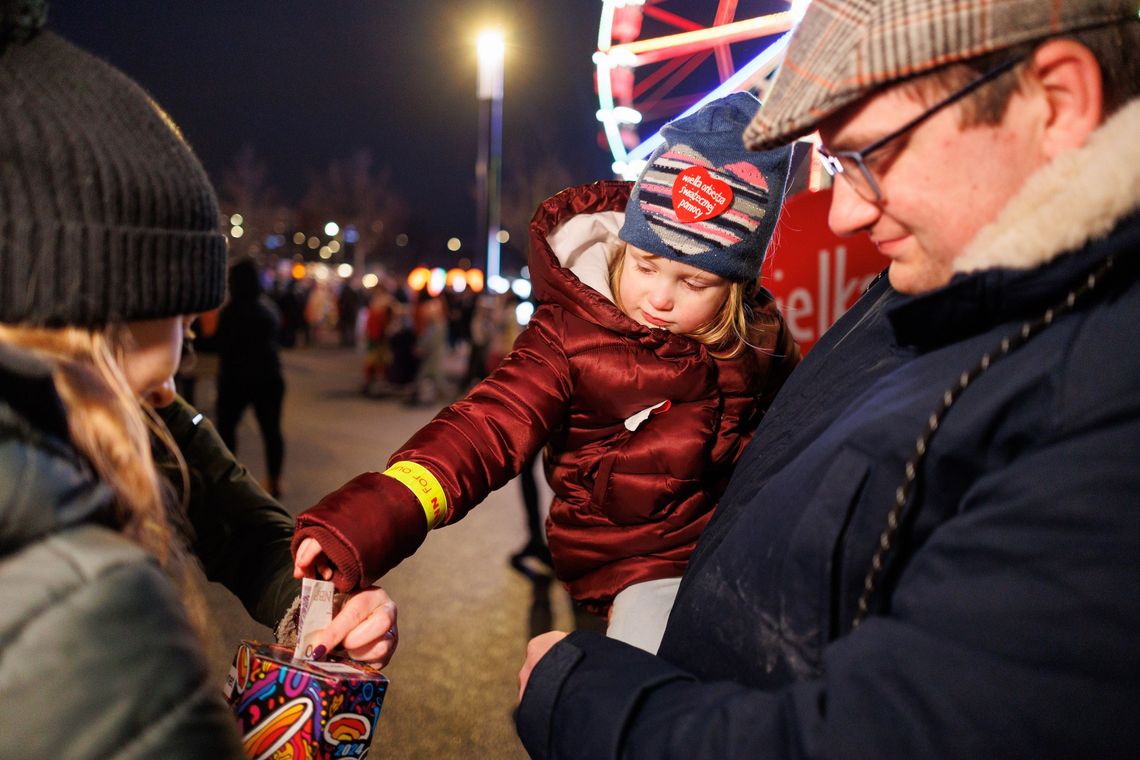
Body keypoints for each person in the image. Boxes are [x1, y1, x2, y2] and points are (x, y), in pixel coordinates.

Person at [513, 1, 1140, 757]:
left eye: (869, 155)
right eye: (837, 166)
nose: (841, 211)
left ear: (1059, 103)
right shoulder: (932, 284)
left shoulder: (1105, 406)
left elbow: (881, 735)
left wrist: (576, 694)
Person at [0, 5, 395, 756]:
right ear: (89, 313)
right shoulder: (91, 617)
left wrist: (316, 606)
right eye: (179, 313)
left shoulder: (130, 413)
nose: (184, 349)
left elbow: (230, 514)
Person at [293, 93, 801, 654]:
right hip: (631, 564)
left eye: (694, 283)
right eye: (646, 265)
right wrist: (374, 517)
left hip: (731, 547)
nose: (659, 297)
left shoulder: (761, 337)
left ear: (736, 287)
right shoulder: (568, 336)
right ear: (624, 248)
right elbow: (484, 427)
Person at [215, 256, 287, 497]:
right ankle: (275, 481)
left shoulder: (230, 313)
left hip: (235, 379)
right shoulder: (268, 310)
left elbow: (219, 344)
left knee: (226, 430)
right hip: (269, 377)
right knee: (271, 431)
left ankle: (230, 480)